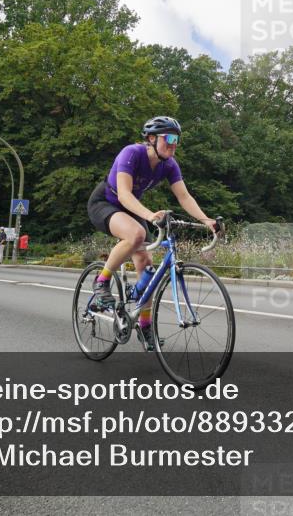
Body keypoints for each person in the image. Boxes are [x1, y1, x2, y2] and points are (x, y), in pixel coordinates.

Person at [86, 116, 218, 351]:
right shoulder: (131, 153)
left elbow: (184, 197)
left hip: (131, 209)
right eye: (169, 138)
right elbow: (124, 194)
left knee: (146, 265)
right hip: (105, 203)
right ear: (151, 138)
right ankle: (102, 281)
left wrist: (207, 221)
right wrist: (150, 216)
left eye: (177, 139)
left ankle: (145, 326)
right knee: (136, 234)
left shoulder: (170, 165)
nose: (174, 144)